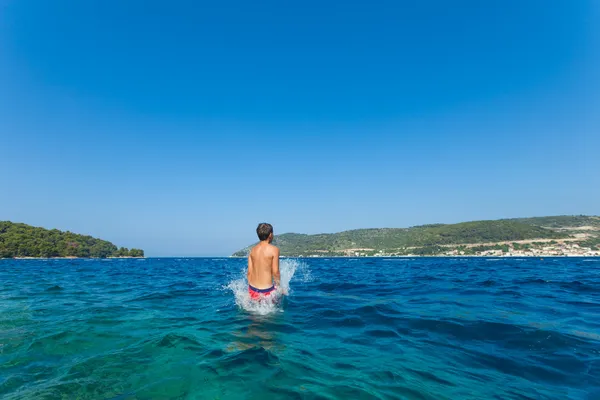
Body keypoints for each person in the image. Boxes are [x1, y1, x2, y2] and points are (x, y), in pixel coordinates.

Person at [247, 223, 284, 300]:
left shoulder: (252, 250)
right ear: (270, 235)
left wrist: (250, 290)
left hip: (252, 289)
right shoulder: (274, 250)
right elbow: (275, 272)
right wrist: (279, 288)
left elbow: (249, 272)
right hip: (267, 292)